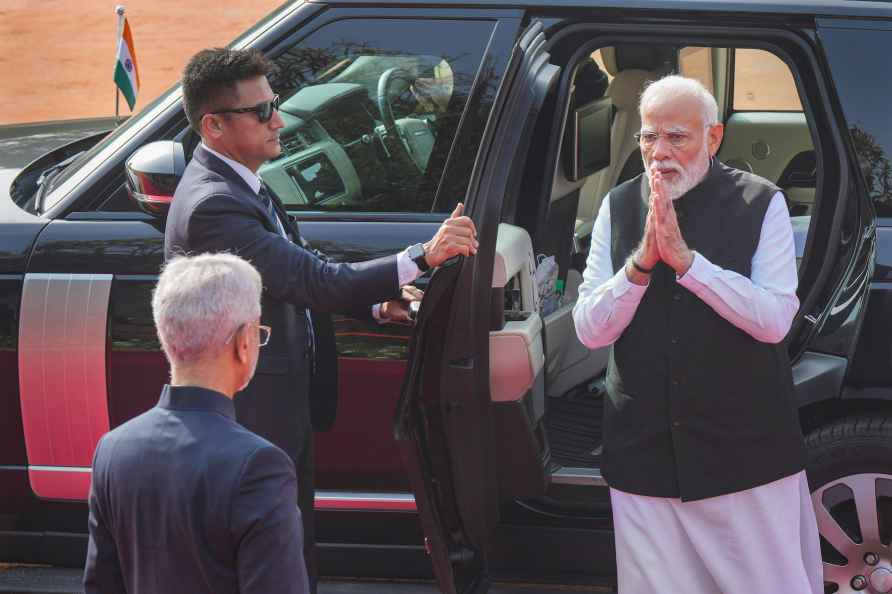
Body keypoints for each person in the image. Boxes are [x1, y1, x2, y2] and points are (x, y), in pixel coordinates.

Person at [164, 47, 478, 592]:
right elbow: (313, 280)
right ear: (213, 125)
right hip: (248, 417)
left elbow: (297, 272)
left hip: (275, 409)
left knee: (289, 545)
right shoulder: (214, 205)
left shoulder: (239, 182)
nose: (278, 120)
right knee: (266, 558)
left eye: (275, 105)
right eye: (261, 112)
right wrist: (424, 255)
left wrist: (376, 303)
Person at [572, 75, 822, 593]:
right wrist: (640, 265)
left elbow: (775, 319)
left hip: (744, 456)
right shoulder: (618, 206)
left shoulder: (761, 203)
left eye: (676, 137)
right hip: (644, 457)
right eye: (648, 137)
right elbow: (590, 330)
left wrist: (688, 265)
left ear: (713, 138)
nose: (658, 152)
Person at [84, 253, 308, 594]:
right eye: (260, 332)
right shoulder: (260, 466)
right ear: (244, 342)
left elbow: (100, 585)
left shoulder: (113, 449)